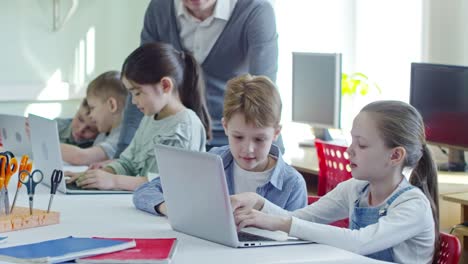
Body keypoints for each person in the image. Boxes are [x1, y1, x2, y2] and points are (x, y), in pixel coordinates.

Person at [231, 100, 439, 264]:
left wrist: (279, 223)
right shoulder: (355, 190)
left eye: (362, 145)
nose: (349, 150)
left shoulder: (413, 205)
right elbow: (300, 219)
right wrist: (258, 202)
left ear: (395, 156)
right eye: (352, 141)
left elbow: (358, 242)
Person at [115, 0, 280, 156]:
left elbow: (263, 93)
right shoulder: (160, 9)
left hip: (237, 139)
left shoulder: (255, 11)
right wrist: (122, 149)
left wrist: (262, 154)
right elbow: (139, 82)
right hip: (177, 136)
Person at [133, 74, 307, 216]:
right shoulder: (209, 162)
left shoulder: (292, 184)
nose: (248, 149)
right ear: (225, 127)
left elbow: (299, 239)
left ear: (276, 133)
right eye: (238, 137)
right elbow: (145, 191)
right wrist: (170, 208)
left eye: (259, 139)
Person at [66, 42, 211, 191]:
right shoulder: (150, 117)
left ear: (165, 86)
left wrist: (114, 181)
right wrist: (96, 175)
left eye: (137, 93)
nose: (134, 101)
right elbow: (128, 163)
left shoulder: (185, 126)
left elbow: (170, 184)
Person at [61, 71, 128, 165]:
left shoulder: (123, 136)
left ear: (112, 105)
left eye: (93, 108)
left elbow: (81, 158)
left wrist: (48, 144)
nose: (91, 115)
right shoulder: (104, 134)